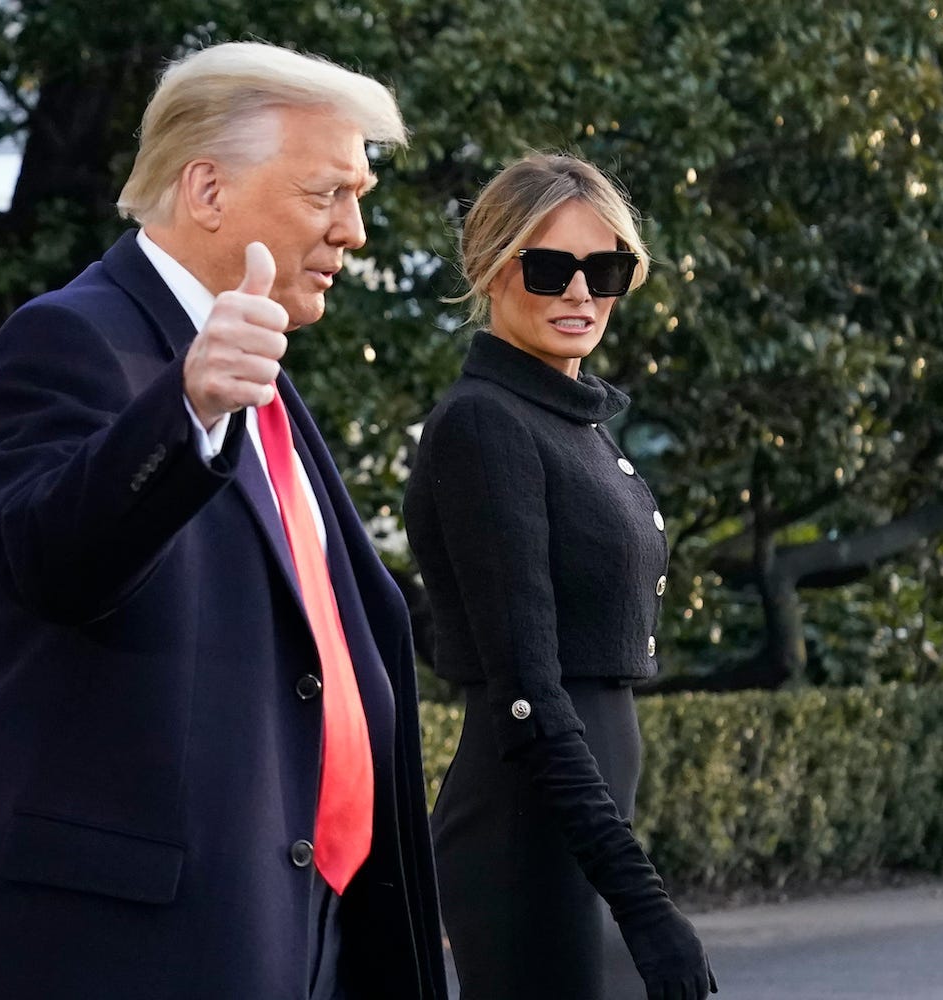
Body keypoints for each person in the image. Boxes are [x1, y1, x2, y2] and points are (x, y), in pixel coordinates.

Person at [0, 42, 447, 1000]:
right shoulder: (71, 339)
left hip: (294, 942)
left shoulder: (257, 377)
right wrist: (184, 406)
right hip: (118, 955)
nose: (355, 231)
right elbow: (51, 561)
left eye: (360, 196)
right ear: (208, 191)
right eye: (327, 193)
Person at [403, 152, 716, 1000]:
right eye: (549, 268)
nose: (581, 293)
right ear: (492, 271)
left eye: (604, 269)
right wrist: (645, 903)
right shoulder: (485, 426)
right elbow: (532, 696)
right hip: (526, 829)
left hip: (578, 825)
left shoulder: (572, 420)